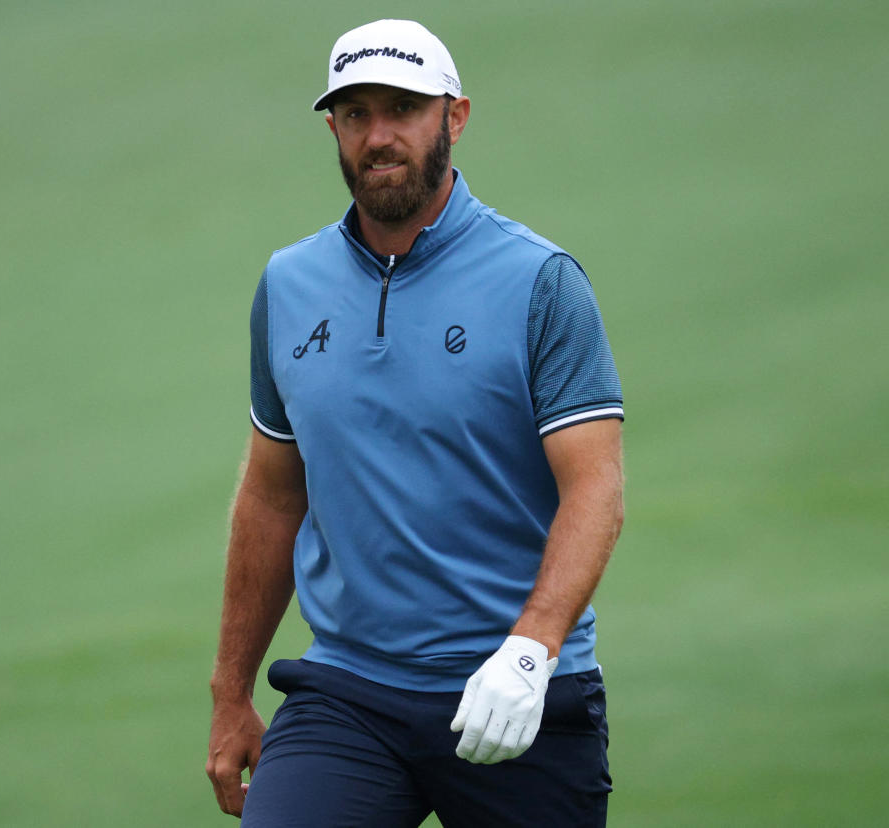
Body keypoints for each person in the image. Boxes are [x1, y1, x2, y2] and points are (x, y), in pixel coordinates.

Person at [206, 18, 624, 827]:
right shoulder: (289, 284)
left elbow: (595, 490)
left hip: (514, 694)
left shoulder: (539, 281)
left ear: (454, 117)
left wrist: (531, 648)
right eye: (356, 114)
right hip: (348, 696)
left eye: (402, 108)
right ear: (334, 128)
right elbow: (271, 498)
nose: (379, 135)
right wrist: (230, 695)